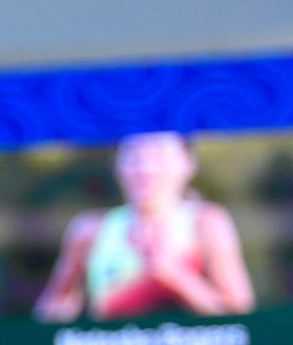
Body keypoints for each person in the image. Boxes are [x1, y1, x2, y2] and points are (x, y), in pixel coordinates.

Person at [33, 131, 258, 321]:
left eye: (159, 157)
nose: (145, 170)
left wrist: (176, 278)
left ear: (187, 164)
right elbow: (55, 308)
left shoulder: (207, 223)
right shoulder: (90, 229)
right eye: (134, 157)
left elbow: (240, 319)